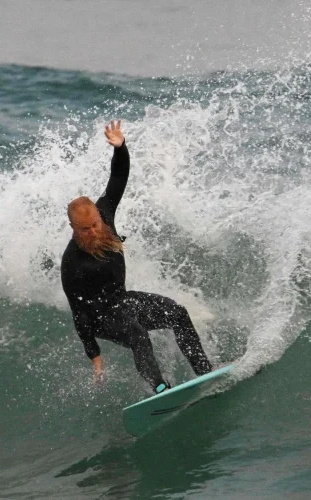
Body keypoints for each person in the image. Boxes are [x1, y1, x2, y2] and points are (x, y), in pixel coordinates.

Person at [60, 120, 212, 394]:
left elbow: (118, 178)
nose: (94, 231)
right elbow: (78, 312)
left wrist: (120, 149)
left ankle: (205, 372)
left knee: (177, 313)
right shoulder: (73, 263)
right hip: (98, 317)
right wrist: (94, 355)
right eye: (86, 229)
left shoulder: (104, 212)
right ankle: (160, 389)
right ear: (73, 229)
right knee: (138, 335)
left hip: (121, 301)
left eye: (95, 223)